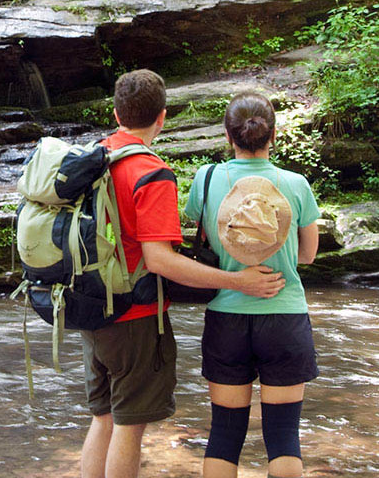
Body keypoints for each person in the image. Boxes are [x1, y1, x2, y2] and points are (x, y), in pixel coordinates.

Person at [81, 71, 286, 478]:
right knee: (128, 425)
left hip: (89, 305)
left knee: (102, 417)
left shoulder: (94, 157)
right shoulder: (149, 172)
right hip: (134, 316)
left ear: (116, 113)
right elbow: (160, 261)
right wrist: (238, 281)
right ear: (163, 117)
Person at [184, 92, 320, 478]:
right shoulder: (295, 184)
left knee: (224, 434)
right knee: (283, 436)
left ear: (229, 137)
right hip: (285, 317)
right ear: (273, 136)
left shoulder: (206, 179)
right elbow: (307, 254)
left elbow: (204, 237)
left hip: (226, 318)